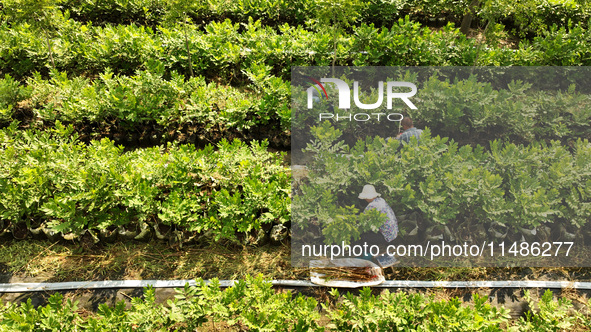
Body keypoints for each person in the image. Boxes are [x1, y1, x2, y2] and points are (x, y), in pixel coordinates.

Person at [357, 185, 399, 267]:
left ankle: (367, 258)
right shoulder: (381, 200)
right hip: (394, 232)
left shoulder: (371, 206)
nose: (365, 199)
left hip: (386, 236)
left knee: (364, 237)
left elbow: (363, 220)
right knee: (372, 231)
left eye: (365, 197)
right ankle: (372, 250)